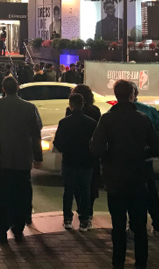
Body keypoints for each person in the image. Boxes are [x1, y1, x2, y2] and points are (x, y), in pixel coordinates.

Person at [90, 79, 159, 269]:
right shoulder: (142, 119)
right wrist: (142, 153)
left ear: (116, 95)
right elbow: (157, 147)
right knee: (139, 225)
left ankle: (118, 262)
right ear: (132, 95)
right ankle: (141, 263)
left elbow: (95, 147)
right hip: (138, 177)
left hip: (115, 178)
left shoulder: (107, 119)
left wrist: (108, 157)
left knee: (118, 224)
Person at [0, 76, 42, 244]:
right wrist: (38, 156)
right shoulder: (29, 108)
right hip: (23, 158)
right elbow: (36, 133)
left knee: (3, 195)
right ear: (18, 88)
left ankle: (2, 230)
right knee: (21, 194)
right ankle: (18, 229)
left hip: (2, 158)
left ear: (3, 89)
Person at [53, 92, 97, 231]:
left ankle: (67, 219)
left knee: (68, 191)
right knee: (85, 191)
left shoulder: (64, 122)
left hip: (69, 161)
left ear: (70, 105)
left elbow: (58, 143)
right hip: (86, 161)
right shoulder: (91, 123)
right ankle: (84, 220)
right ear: (82, 105)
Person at [131, 82, 159, 239]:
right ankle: (158, 226)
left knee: (130, 195)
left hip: (126, 161)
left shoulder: (114, 112)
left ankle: (134, 227)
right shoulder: (149, 111)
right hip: (145, 159)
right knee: (151, 193)